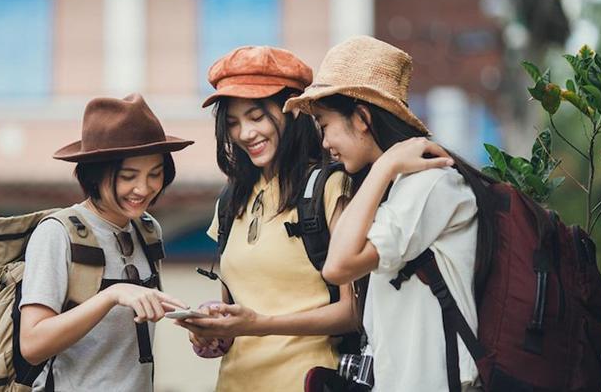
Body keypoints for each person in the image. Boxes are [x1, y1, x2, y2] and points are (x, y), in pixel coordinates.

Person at [283, 36, 493, 392]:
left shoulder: (430, 184)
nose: (323, 142)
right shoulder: (394, 189)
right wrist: (384, 171)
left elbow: (337, 267)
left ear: (362, 117)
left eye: (325, 124)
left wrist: (385, 167)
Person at [176, 45, 358, 391]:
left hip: (308, 382)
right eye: (233, 123)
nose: (245, 133)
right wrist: (212, 332)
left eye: (256, 116)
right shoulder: (231, 200)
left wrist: (260, 323)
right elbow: (237, 310)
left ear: (293, 111)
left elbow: (353, 313)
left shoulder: (329, 186)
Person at [18, 93, 192, 391]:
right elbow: (32, 344)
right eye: (128, 176)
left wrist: (196, 325)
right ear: (96, 175)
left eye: (156, 174)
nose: (144, 188)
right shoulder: (58, 234)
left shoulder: (148, 230)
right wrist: (111, 295)